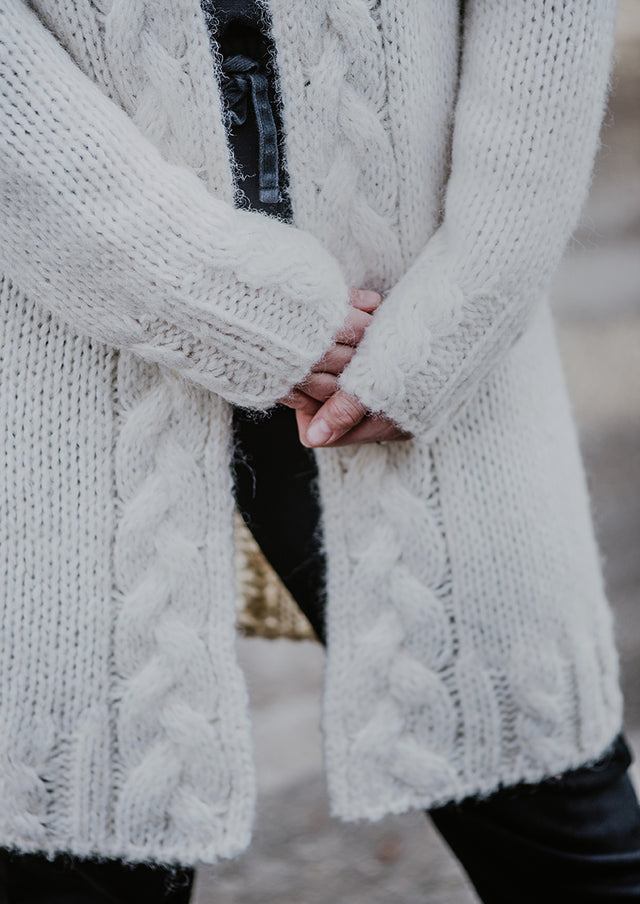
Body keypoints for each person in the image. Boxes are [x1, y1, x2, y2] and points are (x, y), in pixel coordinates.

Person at [0, 1, 638, 902]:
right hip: (80, 335)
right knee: (79, 820)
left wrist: (460, 318)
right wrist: (206, 291)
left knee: (559, 812)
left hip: (405, 325)